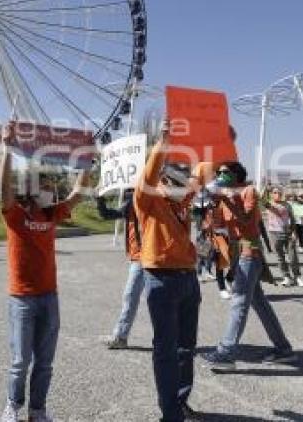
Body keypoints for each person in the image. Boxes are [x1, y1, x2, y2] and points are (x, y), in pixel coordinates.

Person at [0, 134, 91, 422]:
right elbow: (4, 188)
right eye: (48, 186)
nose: (53, 190)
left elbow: (78, 192)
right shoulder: (14, 214)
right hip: (22, 297)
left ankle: (37, 410)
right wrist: (6, 149)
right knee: (19, 362)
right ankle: (12, 407)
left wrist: (88, 163)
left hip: (49, 296)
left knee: (45, 362)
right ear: (32, 189)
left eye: (54, 186)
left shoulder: (52, 214)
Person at [133, 121, 201, 422]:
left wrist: (216, 142)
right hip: (161, 278)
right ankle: (170, 413)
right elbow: (149, 172)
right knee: (166, 350)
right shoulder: (147, 199)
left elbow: (203, 173)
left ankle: (181, 400)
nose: (184, 183)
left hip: (188, 278)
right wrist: (163, 140)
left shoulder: (182, 200)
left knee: (187, 348)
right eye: (177, 177)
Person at [201, 161, 296, 368]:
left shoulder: (248, 191)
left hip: (249, 253)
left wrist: (227, 197)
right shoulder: (223, 196)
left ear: (237, 174)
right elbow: (218, 225)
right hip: (238, 254)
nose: (221, 175)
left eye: (225, 172)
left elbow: (245, 218)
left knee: (239, 301)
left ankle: (226, 352)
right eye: (219, 172)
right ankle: (283, 348)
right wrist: (211, 206)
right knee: (260, 304)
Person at [96, 188, 147, 349]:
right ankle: (121, 336)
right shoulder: (128, 208)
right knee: (131, 296)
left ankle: (120, 336)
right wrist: (100, 200)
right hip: (137, 258)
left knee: (133, 295)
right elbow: (107, 215)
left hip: (146, 258)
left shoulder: (147, 205)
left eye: (129, 194)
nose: (125, 199)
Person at [264, 187, 303, 287]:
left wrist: (294, 232)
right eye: (274, 192)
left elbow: (292, 218)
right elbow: (261, 199)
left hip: (287, 233)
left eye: (279, 192)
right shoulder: (269, 204)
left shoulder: (287, 205)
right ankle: (286, 277)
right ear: (271, 194)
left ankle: (297, 276)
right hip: (274, 233)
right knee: (280, 257)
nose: (277, 194)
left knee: (293, 256)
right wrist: (264, 188)